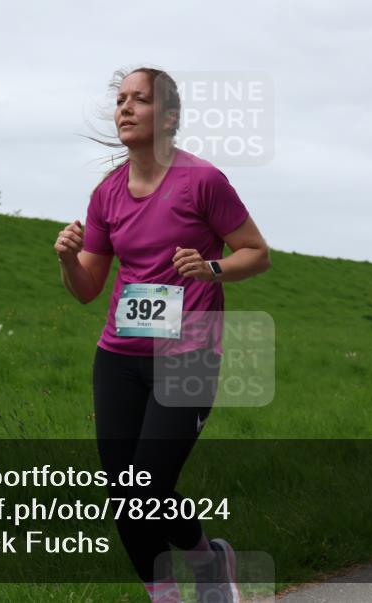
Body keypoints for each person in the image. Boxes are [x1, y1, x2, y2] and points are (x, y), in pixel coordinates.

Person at [54, 66, 270, 603]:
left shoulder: (202, 182)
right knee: (124, 494)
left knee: (146, 487)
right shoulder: (106, 194)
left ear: (168, 117)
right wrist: (65, 259)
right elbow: (87, 288)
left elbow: (257, 252)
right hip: (119, 358)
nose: (125, 108)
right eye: (121, 99)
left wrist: (213, 269)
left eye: (140, 99)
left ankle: (210, 563)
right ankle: (175, 589)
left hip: (189, 356)